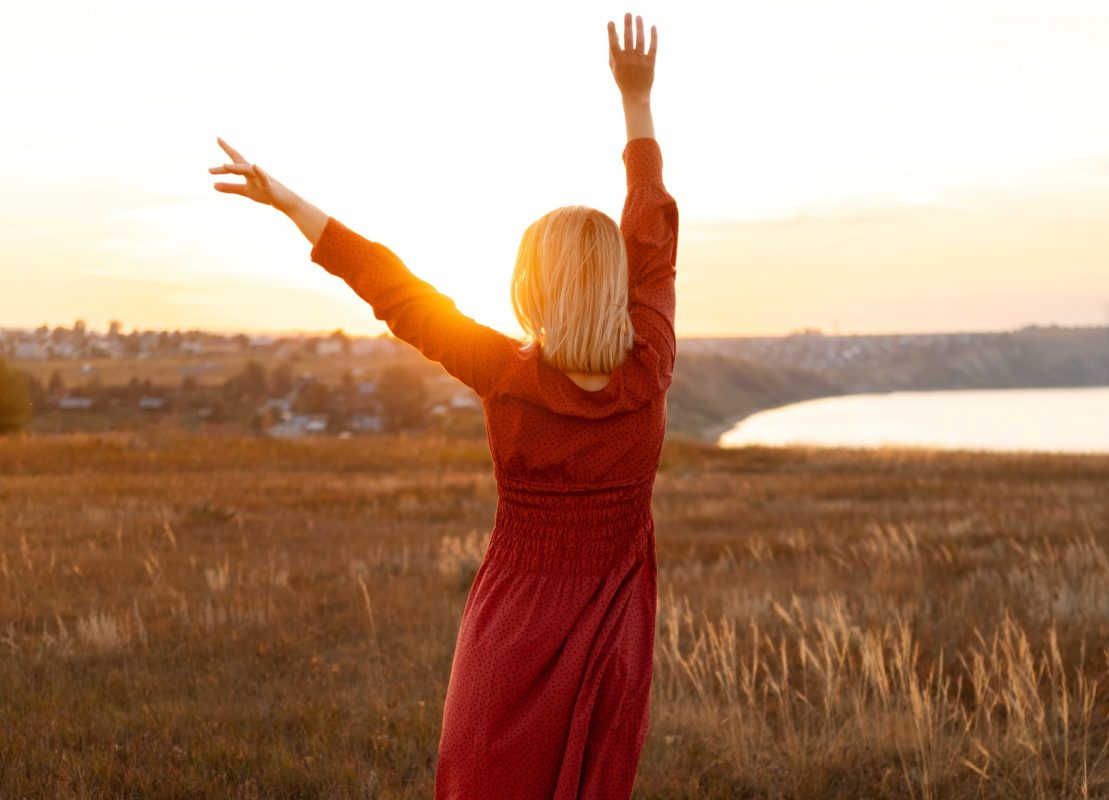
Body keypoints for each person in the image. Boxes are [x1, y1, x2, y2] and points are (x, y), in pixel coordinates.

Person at [209, 12, 677, 798]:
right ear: (616, 281)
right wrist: (637, 100)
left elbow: (395, 291)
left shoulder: (502, 370)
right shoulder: (652, 361)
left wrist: (293, 205)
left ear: (533, 287)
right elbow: (650, 214)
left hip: (512, 625)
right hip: (612, 632)